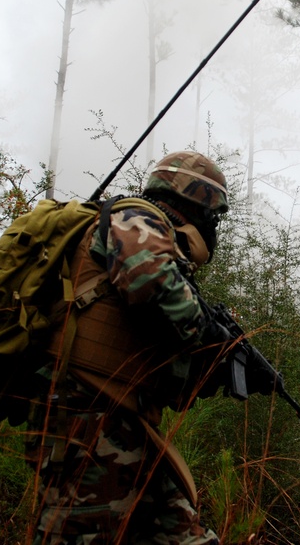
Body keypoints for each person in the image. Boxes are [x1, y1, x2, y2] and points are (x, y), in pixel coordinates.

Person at [25, 151, 230, 544]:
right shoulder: (137, 217)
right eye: (212, 214)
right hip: (86, 413)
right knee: (78, 535)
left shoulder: (151, 231)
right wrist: (207, 335)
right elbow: (149, 284)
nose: (212, 226)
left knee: (187, 536)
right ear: (196, 202)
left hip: (121, 417)